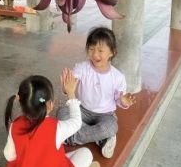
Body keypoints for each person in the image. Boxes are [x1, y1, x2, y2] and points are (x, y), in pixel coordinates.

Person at [3, 72, 101, 167]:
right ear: (49, 104)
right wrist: (71, 93)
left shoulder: (15, 125)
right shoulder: (56, 128)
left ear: (21, 101)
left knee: (51, 155)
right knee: (86, 153)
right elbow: (76, 122)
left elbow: (9, 156)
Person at [57, 27, 136, 159]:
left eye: (100, 50)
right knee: (62, 113)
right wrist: (66, 88)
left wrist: (123, 101)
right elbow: (70, 86)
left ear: (112, 52)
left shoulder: (118, 77)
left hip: (105, 115)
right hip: (83, 110)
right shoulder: (82, 68)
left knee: (110, 127)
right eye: (91, 49)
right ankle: (101, 139)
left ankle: (72, 137)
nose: (95, 54)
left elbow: (119, 99)